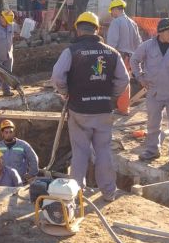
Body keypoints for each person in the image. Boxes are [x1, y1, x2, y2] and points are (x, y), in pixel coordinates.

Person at [51, 11, 129, 202]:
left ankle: (76, 193)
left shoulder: (71, 51)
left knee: (80, 152)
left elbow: (57, 76)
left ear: (78, 29)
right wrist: (111, 96)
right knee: (103, 151)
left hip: (79, 110)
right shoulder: (112, 52)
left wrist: (65, 92)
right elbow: (124, 79)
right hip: (103, 109)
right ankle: (109, 192)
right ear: (98, 29)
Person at [130, 18, 169, 167]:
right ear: (161, 33)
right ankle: (152, 150)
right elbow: (134, 60)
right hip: (154, 93)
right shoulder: (147, 46)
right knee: (152, 124)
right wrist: (140, 78)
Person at [106, 0, 142, 115]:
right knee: (126, 82)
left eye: (112, 11)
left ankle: (121, 108)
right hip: (131, 57)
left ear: (116, 9)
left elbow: (112, 44)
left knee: (119, 82)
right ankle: (123, 107)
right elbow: (139, 44)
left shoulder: (116, 22)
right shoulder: (133, 23)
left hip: (120, 57)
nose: (111, 14)